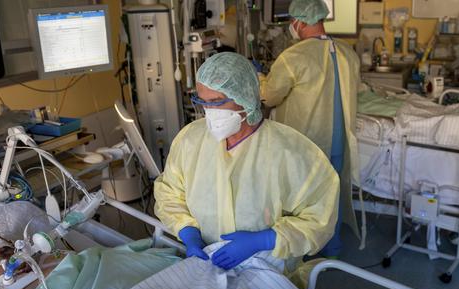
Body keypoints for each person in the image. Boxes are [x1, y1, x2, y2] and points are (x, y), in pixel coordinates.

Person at [154, 52, 340, 271]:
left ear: (245, 97)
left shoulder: (291, 151)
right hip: (205, 262)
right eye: (202, 101)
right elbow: (169, 193)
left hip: (267, 268)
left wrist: (265, 240)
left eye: (217, 102)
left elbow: (319, 216)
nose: (209, 112)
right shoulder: (190, 139)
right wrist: (188, 234)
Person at [259, 0, 361, 257]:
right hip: (338, 144)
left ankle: (302, 253)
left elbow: (269, 96)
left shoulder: (294, 58)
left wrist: (258, 77)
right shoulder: (348, 53)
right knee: (330, 197)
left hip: (306, 145)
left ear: (299, 22)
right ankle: (332, 247)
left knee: (302, 200)